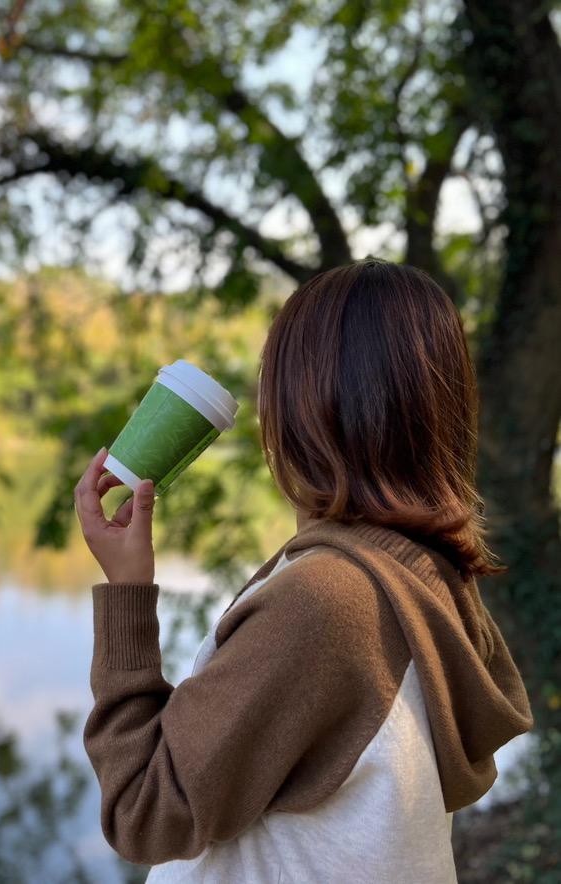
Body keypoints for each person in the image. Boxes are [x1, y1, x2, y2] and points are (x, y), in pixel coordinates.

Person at [73, 257, 534, 883]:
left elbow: (146, 811)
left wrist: (127, 595)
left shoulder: (325, 600)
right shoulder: (429, 577)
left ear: (302, 406)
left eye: (274, 381)